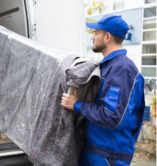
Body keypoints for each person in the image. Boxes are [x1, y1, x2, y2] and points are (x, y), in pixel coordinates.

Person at [61, 14, 145, 165]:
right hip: (93, 150)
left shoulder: (122, 70)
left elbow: (112, 118)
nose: (92, 37)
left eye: (95, 33)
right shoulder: (107, 66)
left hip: (108, 157)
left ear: (107, 37)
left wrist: (76, 104)